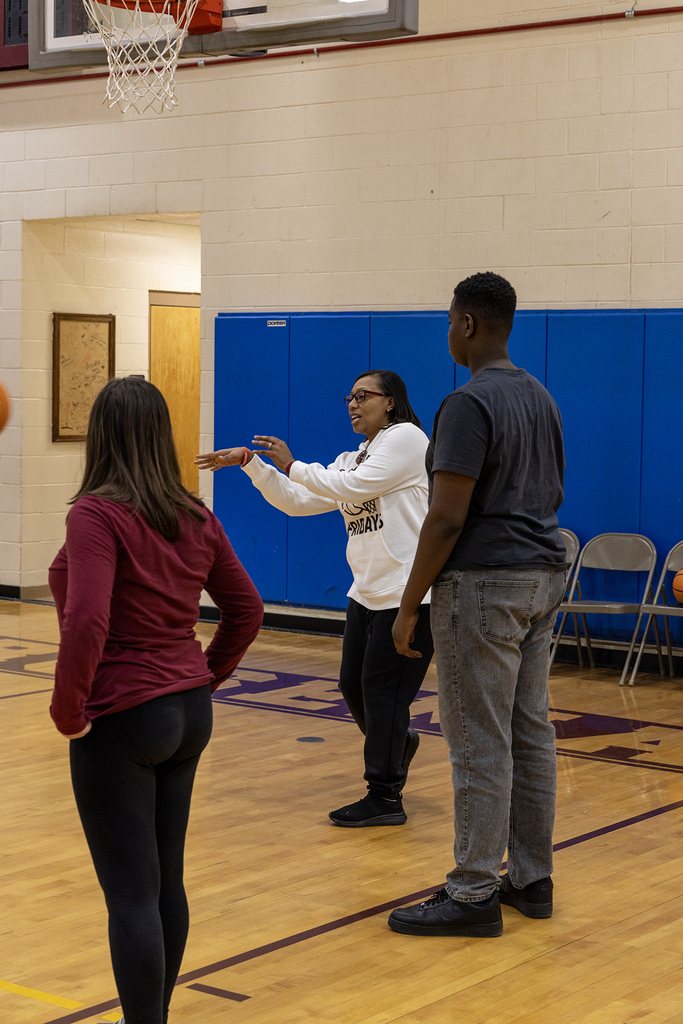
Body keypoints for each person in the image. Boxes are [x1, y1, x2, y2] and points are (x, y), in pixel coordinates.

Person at [49, 377, 263, 1024]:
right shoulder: (195, 513)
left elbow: (86, 620)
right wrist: (201, 679)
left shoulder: (95, 513)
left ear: (101, 435)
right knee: (163, 882)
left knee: (132, 897)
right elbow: (246, 611)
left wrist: (68, 709)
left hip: (123, 718)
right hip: (185, 712)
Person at [388, 273, 567, 938]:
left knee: (478, 744)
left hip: (483, 586)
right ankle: (530, 877)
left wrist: (409, 604)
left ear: (465, 324)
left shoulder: (466, 404)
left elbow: (444, 518)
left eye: (447, 322)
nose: (446, 333)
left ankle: (470, 894)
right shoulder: (540, 398)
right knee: (530, 735)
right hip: (541, 580)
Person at [196, 369, 434, 827]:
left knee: (384, 697)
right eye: (349, 396)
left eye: (363, 396)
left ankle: (385, 798)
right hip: (366, 592)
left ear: (390, 402)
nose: (352, 403)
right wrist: (252, 463)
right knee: (352, 685)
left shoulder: (407, 440)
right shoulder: (354, 456)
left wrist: (292, 463)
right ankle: (397, 746)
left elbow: (351, 488)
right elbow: (299, 499)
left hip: (408, 595)